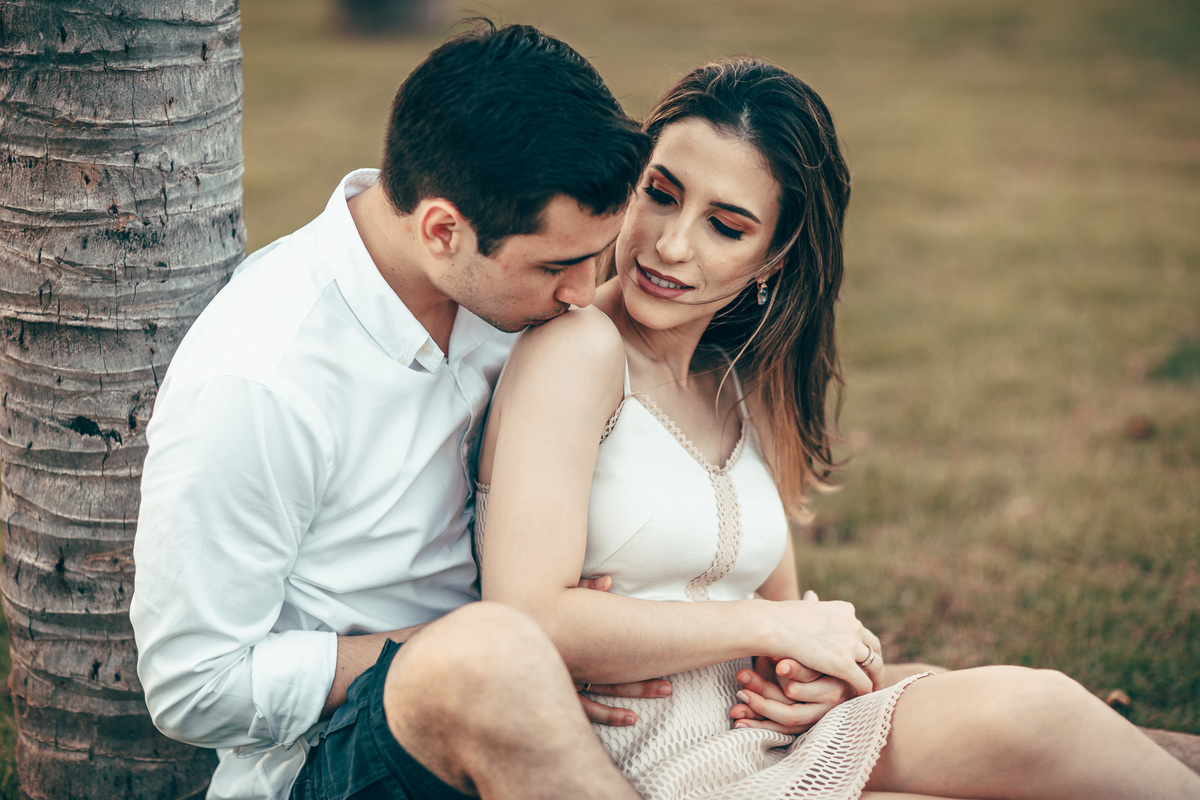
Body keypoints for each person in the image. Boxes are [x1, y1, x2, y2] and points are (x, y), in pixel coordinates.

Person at [474, 56, 1200, 799]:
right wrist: (766, 631)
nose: (670, 244)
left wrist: (819, 676)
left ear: (773, 261)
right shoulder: (577, 349)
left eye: (726, 225)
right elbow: (526, 619)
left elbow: (788, 616)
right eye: (659, 194)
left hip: (783, 731)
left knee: (1038, 713)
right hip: (666, 763)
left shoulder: (739, 381)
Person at [130, 21, 663, 800]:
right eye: (557, 265)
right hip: (335, 762)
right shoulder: (259, 379)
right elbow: (192, 686)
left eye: (597, 256)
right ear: (444, 230)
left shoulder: (506, 300)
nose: (586, 293)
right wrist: (481, 659)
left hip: (538, 694)